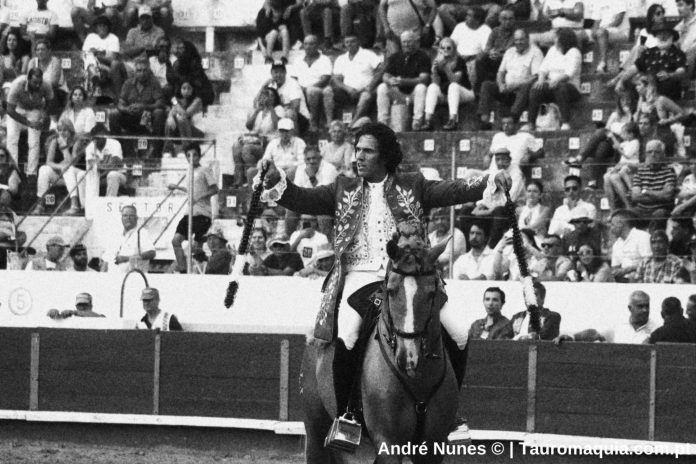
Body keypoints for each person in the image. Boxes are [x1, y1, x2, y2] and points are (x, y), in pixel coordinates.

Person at [257, 121, 511, 438]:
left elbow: (455, 190)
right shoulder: (342, 188)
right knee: (348, 333)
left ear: (385, 156)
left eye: (367, 151)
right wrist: (275, 179)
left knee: (459, 332)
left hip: (410, 274)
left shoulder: (413, 185)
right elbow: (301, 199)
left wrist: (490, 180)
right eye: (357, 150)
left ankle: (451, 413)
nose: (359, 157)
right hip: (359, 276)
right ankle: (348, 415)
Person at [477, 28, 543, 129]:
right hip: (507, 89)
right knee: (486, 85)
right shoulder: (509, 52)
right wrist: (500, 85)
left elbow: (535, 77)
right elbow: (500, 72)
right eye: (516, 40)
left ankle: (512, 119)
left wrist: (515, 85)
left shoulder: (536, 52)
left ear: (528, 39)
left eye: (521, 39)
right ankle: (484, 121)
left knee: (526, 86)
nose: (518, 42)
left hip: (523, 91)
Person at [169, 142, 219, 273]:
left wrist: (199, 197)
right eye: (188, 155)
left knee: (195, 248)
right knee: (175, 241)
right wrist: (177, 187)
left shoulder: (204, 170)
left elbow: (215, 189)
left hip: (202, 214)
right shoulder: (189, 171)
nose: (192, 158)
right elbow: (192, 190)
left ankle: (206, 264)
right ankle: (183, 271)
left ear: (199, 156)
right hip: (189, 213)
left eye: (195, 155)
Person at [615, 20, 686, 102]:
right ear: (656, 36)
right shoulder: (649, 52)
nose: (663, 36)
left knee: (649, 82)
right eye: (660, 34)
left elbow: (681, 72)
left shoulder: (678, 54)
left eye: (666, 34)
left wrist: (669, 75)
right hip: (647, 86)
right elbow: (634, 68)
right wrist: (621, 81)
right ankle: (629, 108)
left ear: (672, 37)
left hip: (666, 90)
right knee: (628, 80)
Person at [526, 27, 582, 131]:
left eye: (556, 37)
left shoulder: (574, 52)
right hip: (551, 85)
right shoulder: (552, 50)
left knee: (561, 87)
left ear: (563, 39)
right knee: (535, 89)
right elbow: (543, 68)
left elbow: (569, 74)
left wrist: (556, 80)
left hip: (570, 87)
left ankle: (565, 122)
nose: (554, 39)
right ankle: (531, 123)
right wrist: (541, 80)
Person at [109, 57, 166, 158]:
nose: (142, 73)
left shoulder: (154, 83)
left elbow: (160, 103)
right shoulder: (128, 83)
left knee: (159, 112)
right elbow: (120, 104)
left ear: (149, 71)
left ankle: (157, 151)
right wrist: (127, 109)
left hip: (148, 119)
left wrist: (145, 107)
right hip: (131, 118)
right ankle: (117, 149)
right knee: (113, 114)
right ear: (135, 72)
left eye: (144, 70)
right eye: (139, 70)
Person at [376, 30, 431, 130]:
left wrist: (404, 81)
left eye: (409, 41)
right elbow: (385, 75)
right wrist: (390, 80)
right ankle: (382, 122)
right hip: (399, 93)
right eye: (404, 42)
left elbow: (424, 79)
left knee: (421, 87)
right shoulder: (395, 57)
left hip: (414, 94)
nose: (406, 44)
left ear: (415, 42)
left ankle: (417, 121)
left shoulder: (423, 57)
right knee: (382, 87)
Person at [324, 34, 382, 128]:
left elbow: (380, 71)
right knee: (327, 90)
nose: (350, 44)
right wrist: (348, 89)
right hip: (347, 92)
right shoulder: (341, 58)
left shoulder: (368, 55)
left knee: (365, 96)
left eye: (353, 41)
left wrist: (370, 86)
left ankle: (352, 124)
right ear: (344, 44)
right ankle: (330, 123)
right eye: (347, 42)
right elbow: (336, 79)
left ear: (358, 42)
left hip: (365, 90)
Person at [33, 119, 86, 215]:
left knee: (68, 169)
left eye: (65, 130)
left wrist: (64, 147)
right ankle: (40, 205)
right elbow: (49, 162)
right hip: (61, 174)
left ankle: (75, 205)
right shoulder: (54, 141)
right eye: (60, 130)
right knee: (43, 169)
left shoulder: (77, 141)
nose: (62, 133)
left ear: (71, 130)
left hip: (76, 174)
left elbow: (72, 163)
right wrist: (60, 167)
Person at [6, 67, 53, 176]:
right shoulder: (17, 84)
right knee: (12, 138)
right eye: (35, 82)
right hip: (18, 109)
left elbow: (50, 102)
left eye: (39, 82)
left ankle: (31, 173)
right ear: (28, 79)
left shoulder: (46, 85)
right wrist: (28, 123)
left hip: (35, 110)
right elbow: (10, 110)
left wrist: (44, 115)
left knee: (34, 141)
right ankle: (13, 171)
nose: (37, 85)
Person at [422, 36, 472, 131]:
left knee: (453, 86)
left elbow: (455, 80)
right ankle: (428, 120)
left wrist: (445, 67)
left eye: (449, 48)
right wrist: (434, 72)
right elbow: (436, 83)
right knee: (432, 87)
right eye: (443, 48)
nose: (445, 50)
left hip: (464, 92)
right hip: (446, 93)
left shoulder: (459, 60)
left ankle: (452, 120)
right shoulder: (437, 61)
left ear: (454, 49)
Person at [289, 145, 338, 235]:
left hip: (326, 204)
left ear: (320, 158)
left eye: (314, 158)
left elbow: (323, 195)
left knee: (322, 213)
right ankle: (289, 239)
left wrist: (312, 178)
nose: (311, 161)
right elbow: (295, 192)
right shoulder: (300, 169)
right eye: (308, 159)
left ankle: (327, 241)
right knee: (290, 209)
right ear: (304, 160)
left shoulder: (329, 169)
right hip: (307, 202)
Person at [630, 140, 677, 230]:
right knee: (626, 215)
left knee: (659, 214)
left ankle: (653, 237)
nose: (653, 155)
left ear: (662, 154)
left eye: (657, 152)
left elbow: (667, 195)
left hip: (660, 209)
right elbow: (635, 196)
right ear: (645, 154)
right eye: (649, 152)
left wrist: (646, 192)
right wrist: (659, 195)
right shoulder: (640, 171)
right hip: (641, 210)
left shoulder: (669, 171)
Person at [82, 15, 126, 101]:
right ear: (96, 28)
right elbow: (84, 54)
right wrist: (96, 55)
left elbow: (112, 59)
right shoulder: (91, 37)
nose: (102, 28)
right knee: (89, 57)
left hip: (106, 66)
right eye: (99, 26)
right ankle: (94, 73)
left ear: (108, 27)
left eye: (104, 26)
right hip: (91, 64)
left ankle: (94, 73)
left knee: (92, 57)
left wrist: (97, 54)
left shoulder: (113, 38)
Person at [295, 34, 333, 132]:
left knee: (315, 91)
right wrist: (300, 88)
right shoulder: (298, 60)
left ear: (317, 45)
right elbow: (293, 78)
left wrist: (309, 88)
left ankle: (322, 122)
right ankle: (314, 122)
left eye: (311, 44)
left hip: (319, 88)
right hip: (301, 89)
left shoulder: (324, 59)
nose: (308, 46)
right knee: (309, 91)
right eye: (306, 44)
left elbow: (325, 78)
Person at [262, 60, 310, 134]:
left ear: (285, 73)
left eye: (281, 72)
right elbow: (257, 102)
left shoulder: (293, 84)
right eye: (276, 72)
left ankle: (293, 138)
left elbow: (295, 108)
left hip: (300, 120)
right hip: (280, 116)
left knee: (289, 112)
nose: (278, 75)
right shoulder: (271, 85)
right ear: (271, 73)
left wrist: (279, 115)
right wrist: (263, 86)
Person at [474, 7, 515, 94]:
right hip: (493, 57)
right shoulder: (495, 31)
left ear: (514, 20)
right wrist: (491, 52)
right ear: (499, 19)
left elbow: (513, 52)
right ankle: (480, 88)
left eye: (510, 19)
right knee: (480, 58)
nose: (508, 21)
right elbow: (487, 47)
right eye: (504, 19)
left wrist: (500, 55)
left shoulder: (517, 33)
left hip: (508, 59)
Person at [450, 6, 492, 89]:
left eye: (469, 15)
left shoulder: (486, 30)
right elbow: (451, 43)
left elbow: (486, 51)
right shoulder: (460, 26)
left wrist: (471, 58)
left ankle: (473, 91)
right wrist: (457, 55)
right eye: (467, 15)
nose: (466, 17)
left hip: (473, 60)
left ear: (477, 19)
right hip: (456, 58)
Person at [107, 204, 156, 272]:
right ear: (121, 218)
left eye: (131, 215)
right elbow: (107, 259)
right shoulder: (116, 235)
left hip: (133, 277)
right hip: (112, 276)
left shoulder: (141, 233)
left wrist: (127, 258)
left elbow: (151, 253)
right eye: (125, 215)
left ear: (136, 218)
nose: (128, 218)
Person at [27, 39, 67, 121]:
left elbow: (54, 82)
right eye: (38, 50)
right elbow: (29, 81)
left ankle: (53, 120)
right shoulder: (32, 62)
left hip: (58, 91)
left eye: (43, 49)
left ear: (49, 51)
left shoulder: (55, 61)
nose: (40, 52)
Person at [85, 123, 126, 201]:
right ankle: (87, 205)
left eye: (98, 138)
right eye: (94, 139)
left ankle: (108, 202)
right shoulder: (90, 147)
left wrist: (100, 170)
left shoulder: (114, 144)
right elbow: (92, 167)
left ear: (104, 136)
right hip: (99, 177)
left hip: (119, 175)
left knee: (112, 175)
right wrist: (99, 171)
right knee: (82, 175)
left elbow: (116, 165)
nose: (96, 141)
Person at [609, 209, 652, 282]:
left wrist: (628, 269)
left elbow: (649, 263)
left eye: (612, 225)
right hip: (623, 281)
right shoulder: (616, 244)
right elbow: (614, 269)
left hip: (641, 278)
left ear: (621, 224)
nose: (611, 229)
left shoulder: (642, 236)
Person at [587, 0, 628, 74]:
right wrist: (594, 31)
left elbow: (618, 21)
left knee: (601, 33)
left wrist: (604, 28)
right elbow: (596, 22)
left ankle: (603, 63)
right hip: (603, 31)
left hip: (620, 31)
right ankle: (593, 70)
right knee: (594, 34)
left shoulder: (620, 1)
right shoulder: (599, 2)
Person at [259, 117, 306, 182]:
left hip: (292, 171)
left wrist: (288, 166)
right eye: (282, 131)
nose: (284, 134)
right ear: (278, 131)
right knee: (252, 171)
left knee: (290, 172)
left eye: (286, 131)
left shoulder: (299, 142)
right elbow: (265, 159)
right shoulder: (273, 143)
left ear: (292, 131)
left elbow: (302, 162)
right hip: (275, 171)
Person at [164, 80, 204, 152]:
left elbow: (185, 114)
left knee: (180, 118)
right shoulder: (178, 100)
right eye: (184, 88)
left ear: (193, 90)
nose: (186, 91)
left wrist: (175, 103)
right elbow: (172, 113)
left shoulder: (197, 101)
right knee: (169, 121)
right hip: (180, 130)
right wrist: (170, 117)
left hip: (195, 132)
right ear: (180, 89)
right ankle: (167, 149)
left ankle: (186, 148)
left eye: (189, 88)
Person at [428, 207, 466, 274]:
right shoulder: (430, 236)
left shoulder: (457, 234)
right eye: (436, 219)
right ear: (433, 222)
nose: (440, 222)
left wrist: (429, 259)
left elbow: (446, 257)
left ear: (449, 219)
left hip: (454, 273)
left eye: (442, 218)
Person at [0, 30, 29, 95]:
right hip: (4, 86)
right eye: (9, 40)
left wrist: (14, 67)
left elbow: (23, 79)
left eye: (14, 40)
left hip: (19, 87)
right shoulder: (2, 58)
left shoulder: (24, 58)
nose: (11, 42)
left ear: (18, 42)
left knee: (8, 91)